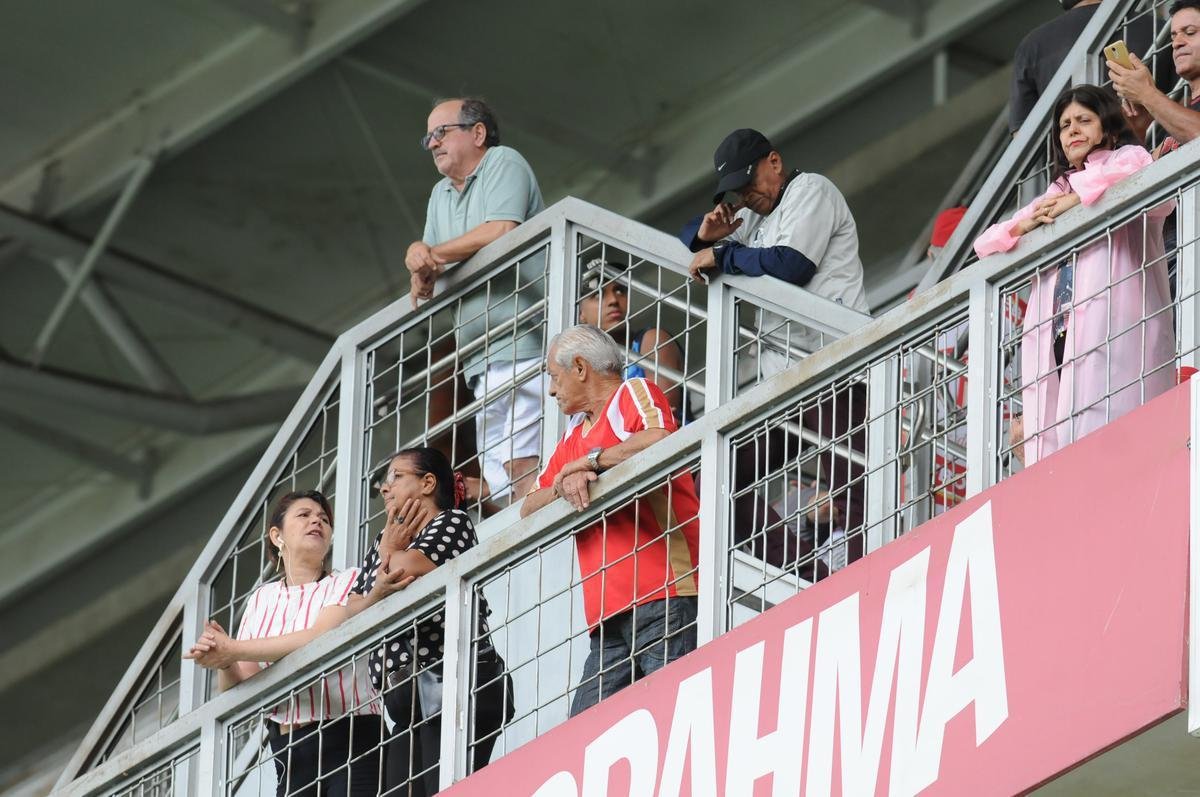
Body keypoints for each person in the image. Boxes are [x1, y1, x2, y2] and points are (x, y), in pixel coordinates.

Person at [678, 129, 869, 574]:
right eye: (737, 189)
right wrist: (704, 237)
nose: (746, 194)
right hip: (783, 381)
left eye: (749, 181)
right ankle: (811, 577)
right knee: (716, 482)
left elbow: (792, 265)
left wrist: (723, 256)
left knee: (852, 488)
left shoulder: (812, 189)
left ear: (775, 162)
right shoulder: (752, 220)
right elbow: (687, 241)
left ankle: (865, 581)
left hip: (836, 367)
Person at [973, 85, 1175, 466]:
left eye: (1084, 120)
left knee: (1117, 435)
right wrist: (1024, 224)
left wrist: (1076, 200)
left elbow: (1140, 175)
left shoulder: (1127, 157)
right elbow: (984, 245)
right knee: (1065, 445)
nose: (1073, 131)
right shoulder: (1055, 191)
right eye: (1065, 126)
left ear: (1107, 127)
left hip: (1116, 328)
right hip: (1060, 333)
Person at [520, 324, 701, 716]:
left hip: (664, 594)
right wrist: (565, 482)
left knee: (675, 714)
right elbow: (528, 506)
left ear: (580, 367)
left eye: (554, 377)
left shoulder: (633, 393)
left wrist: (592, 463)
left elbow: (659, 438)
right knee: (582, 735)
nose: (551, 390)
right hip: (607, 622)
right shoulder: (571, 437)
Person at [185, 491, 383, 797]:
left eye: (324, 519)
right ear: (277, 536)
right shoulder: (261, 599)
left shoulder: (348, 580)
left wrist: (233, 648)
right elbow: (241, 683)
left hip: (352, 736)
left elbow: (318, 637)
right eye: (304, 515)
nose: (317, 520)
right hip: (288, 750)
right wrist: (224, 661)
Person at [349, 447, 513, 795]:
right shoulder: (385, 541)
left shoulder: (451, 522)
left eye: (396, 477)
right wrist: (384, 561)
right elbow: (351, 607)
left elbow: (401, 570)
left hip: (452, 687)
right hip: (408, 704)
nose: (385, 487)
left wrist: (387, 554)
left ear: (427, 483)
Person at [406, 97, 546, 505]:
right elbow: (430, 272)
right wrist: (419, 262)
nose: (433, 143)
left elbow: (501, 229)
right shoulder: (439, 194)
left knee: (523, 461)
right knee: (498, 471)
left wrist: (430, 254)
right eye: (428, 138)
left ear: (478, 133)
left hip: (525, 339)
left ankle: (547, 533)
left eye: (441, 132)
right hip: (479, 358)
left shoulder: (503, 161)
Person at [576, 258, 687, 421]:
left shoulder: (652, 340)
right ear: (580, 313)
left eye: (620, 290)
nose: (613, 300)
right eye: (598, 294)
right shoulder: (583, 366)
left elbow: (659, 414)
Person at [1108, 0, 1200, 156]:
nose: (1176, 43)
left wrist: (1146, 94)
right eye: (1173, 37)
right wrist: (1137, 129)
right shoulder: (1176, 124)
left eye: (1190, 32)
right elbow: (1142, 169)